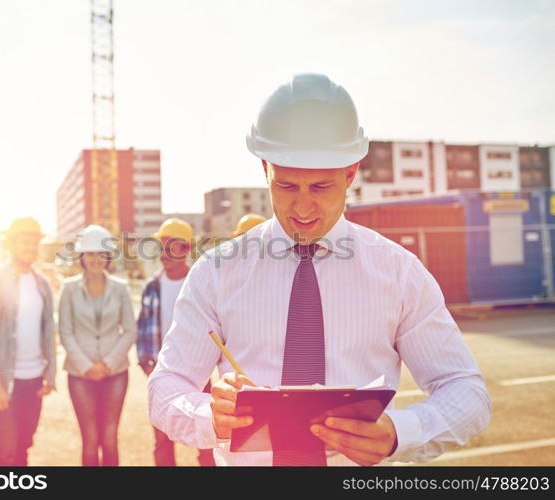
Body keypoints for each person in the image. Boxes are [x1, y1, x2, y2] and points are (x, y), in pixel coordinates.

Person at [148, 73, 491, 466]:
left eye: (322, 187)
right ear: (265, 170)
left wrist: (400, 432)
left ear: (350, 174)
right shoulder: (217, 271)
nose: (303, 209)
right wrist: (208, 415)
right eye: (288, 186)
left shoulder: (399, 273)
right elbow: (166, 385)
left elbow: (465, 390)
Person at [0, 217, 56, 466]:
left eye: (35, 242)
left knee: (23, 448)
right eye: (25, 242)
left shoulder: (42, 284)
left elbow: (49, 331)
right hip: (5, 381)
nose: (31, 248)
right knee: (5, 454)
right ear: (11, 244)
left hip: (34, 381)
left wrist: (49, 375)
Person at [137, 218, 215, 466]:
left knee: (207, 439)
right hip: (163, 373)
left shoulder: (201, 283)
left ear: (186, 250)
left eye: (173, 247)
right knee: (162, 441)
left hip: (200, 374)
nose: (165, 254)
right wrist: (148, 365)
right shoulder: (152, 286)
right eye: (162, 247)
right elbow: (142, 329)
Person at [58, 224, 137, 466]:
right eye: (90, 253)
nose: (96, 259)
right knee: (90, 439)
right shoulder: (69, 288)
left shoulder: (120, 288)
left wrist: (108, 363)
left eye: (101, 254)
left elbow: (130, 330)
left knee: (110, 437)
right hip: (80, 375)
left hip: (115, 373)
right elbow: (65, 332)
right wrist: (87, 366)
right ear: (82, 256)